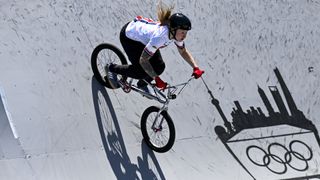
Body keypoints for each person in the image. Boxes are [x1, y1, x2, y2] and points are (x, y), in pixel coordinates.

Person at [106, 4, 204, 93]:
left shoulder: (175, 35)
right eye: (183, 32)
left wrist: (195, 67)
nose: (184, 36)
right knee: (141, 72)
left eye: (186, 33)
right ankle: (111, 68)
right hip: (130, 38)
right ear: (173, 29)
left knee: (159, 67)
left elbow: (183, 51)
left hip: (144, 39)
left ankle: (142, 84)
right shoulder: (160, 37)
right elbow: (143, 60)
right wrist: (156, 79)